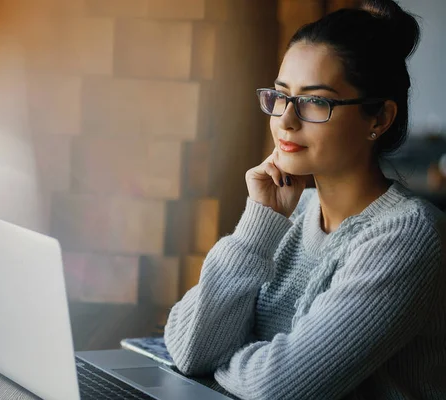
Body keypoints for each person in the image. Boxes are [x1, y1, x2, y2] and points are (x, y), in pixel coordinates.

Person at [164, 0, 446, 399]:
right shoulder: (293, 213)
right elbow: (191, 351)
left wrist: (222, 360)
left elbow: (279, 388)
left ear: (379, 118)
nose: (286, 120)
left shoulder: (406, 238)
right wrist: (258, 225)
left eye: (316, 101)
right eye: (280, 96)